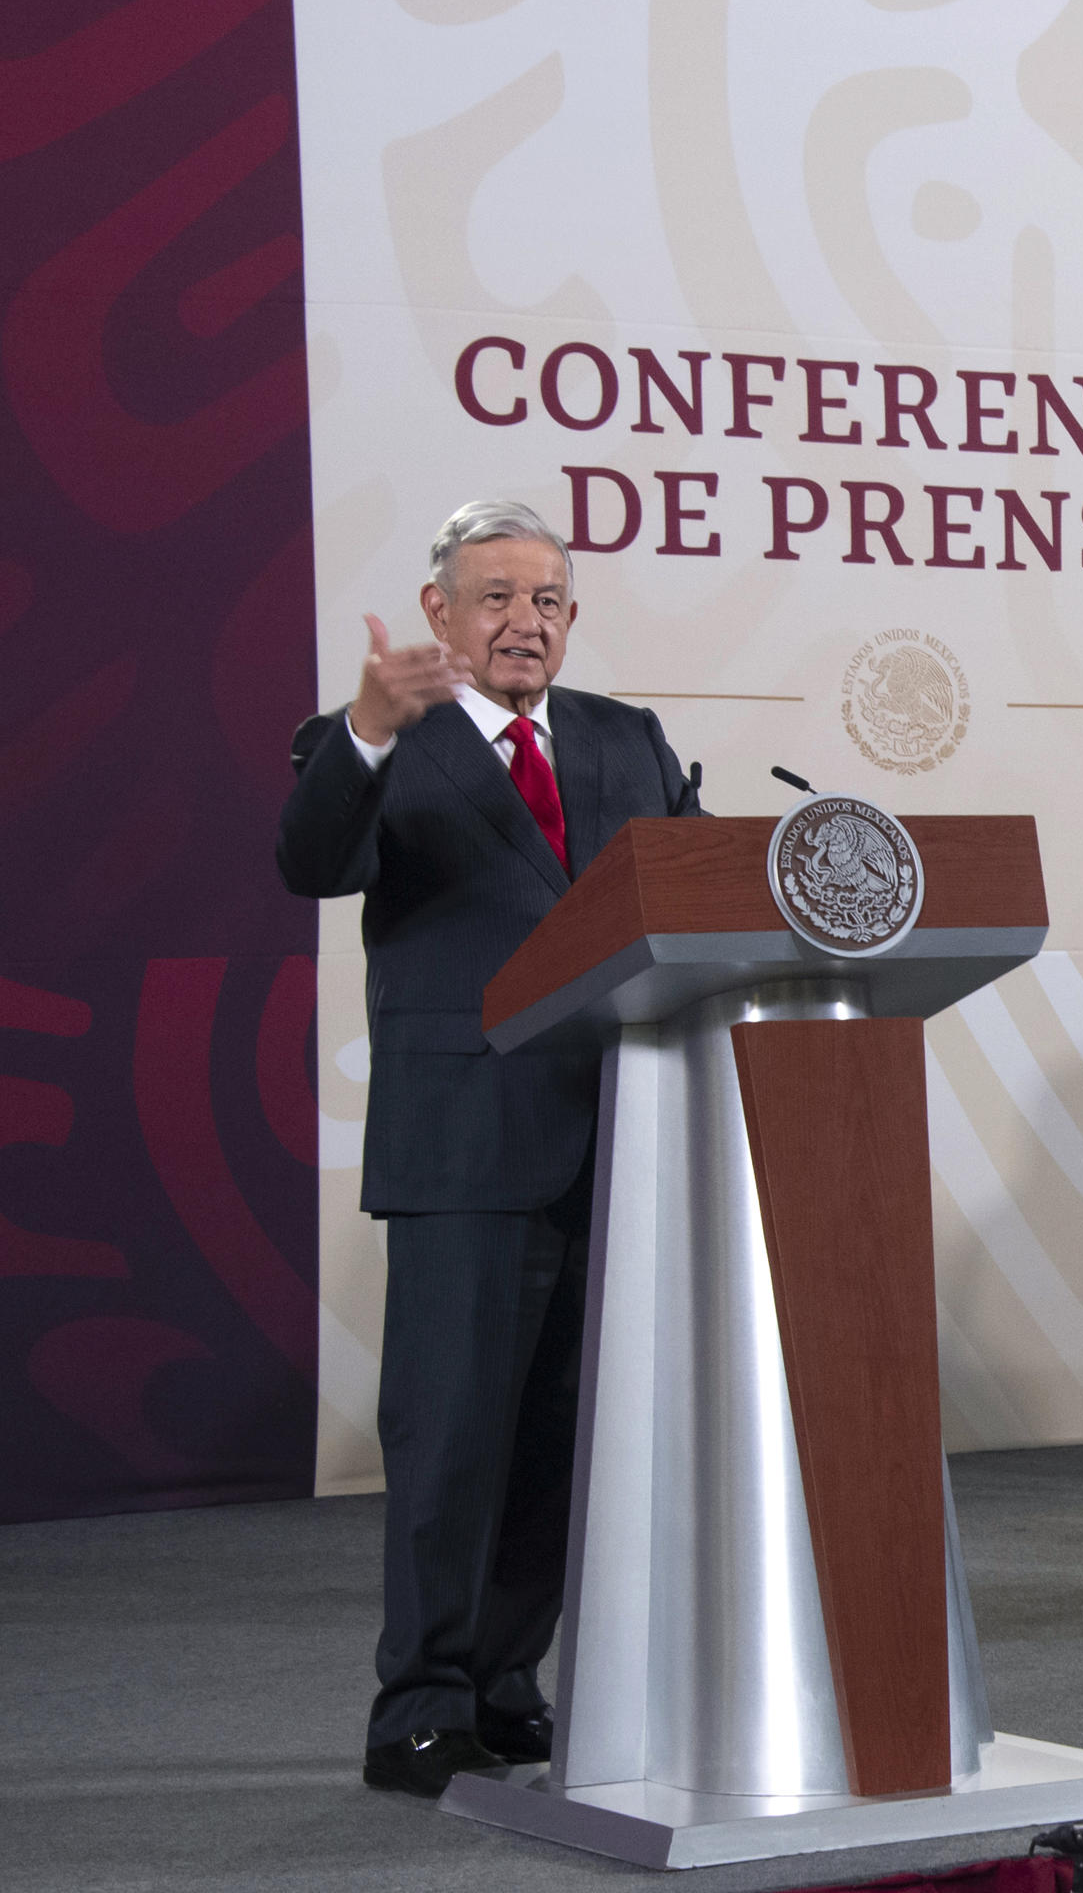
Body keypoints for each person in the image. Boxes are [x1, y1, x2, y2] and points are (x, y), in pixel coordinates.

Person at [277, 500, 700, 1798]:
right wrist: (362, 730)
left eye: (549, 599)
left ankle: (508, 1684)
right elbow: (309, 861)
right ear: (440, 618)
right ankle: (420, 1702)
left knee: (562, 1443)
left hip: (618, 1145)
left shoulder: (627, 741)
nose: (526, 620)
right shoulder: (381, 741)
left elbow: (691, 896)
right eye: (498, 597)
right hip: (466, 1147)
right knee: (453, 1435)